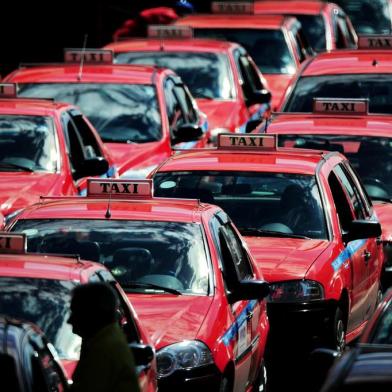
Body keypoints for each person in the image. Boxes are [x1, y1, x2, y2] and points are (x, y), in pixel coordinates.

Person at [68, 282, 140, 392]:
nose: (70, 320)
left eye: (76, 312)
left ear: (92, 314)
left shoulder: (104, 349)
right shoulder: (104, 339)